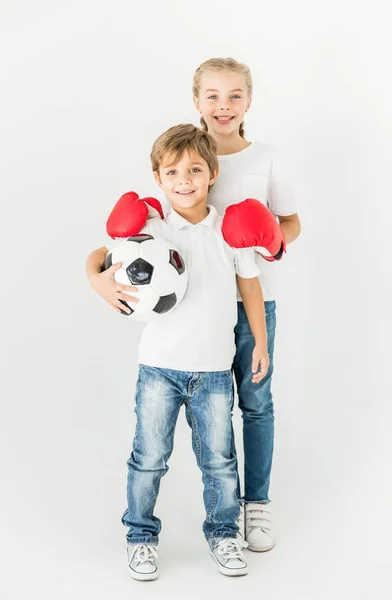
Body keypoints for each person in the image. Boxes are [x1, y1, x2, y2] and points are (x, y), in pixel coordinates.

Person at [86, 124, 283, 579]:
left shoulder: (230, 230)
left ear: (213, 173)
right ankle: (140, 536)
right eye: (172, 172)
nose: (184, 180)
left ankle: (224, 534)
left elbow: (250, 288)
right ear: (158, 178)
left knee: (219, 461)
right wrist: (96, 280)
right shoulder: (149, 231)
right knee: (148, 458)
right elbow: (98, 254)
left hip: (214, 368)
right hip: (158, 368)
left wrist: (262, 343)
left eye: (195, 170)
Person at [188, 58, 301, 551]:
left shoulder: (267, 157)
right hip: (202, 303)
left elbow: (291, 222)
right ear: (196, 102)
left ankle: (258, 505)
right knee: (213, 408)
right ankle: (224, 511)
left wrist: (271, 242)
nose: (223, 106)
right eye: (212, 96)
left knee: (255, 404)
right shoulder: (188, 154)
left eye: (234, 96)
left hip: (258, 301)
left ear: (248, 102)